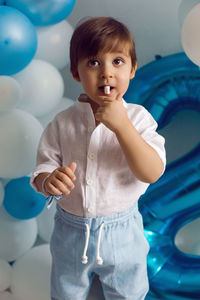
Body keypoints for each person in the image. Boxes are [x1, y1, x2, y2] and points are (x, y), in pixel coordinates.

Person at [31, 17, 166, 300]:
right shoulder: (63, 123)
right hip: (71, 231)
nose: (106, 73)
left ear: (132, 69)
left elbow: (152, 171)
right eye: (93, 63)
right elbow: (43, 166)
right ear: (76, 72)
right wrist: (48, 180)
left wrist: (122, 127)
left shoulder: (139, 119)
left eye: (117, 62)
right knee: (67, 291)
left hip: (122, 232)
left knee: (127, 292)